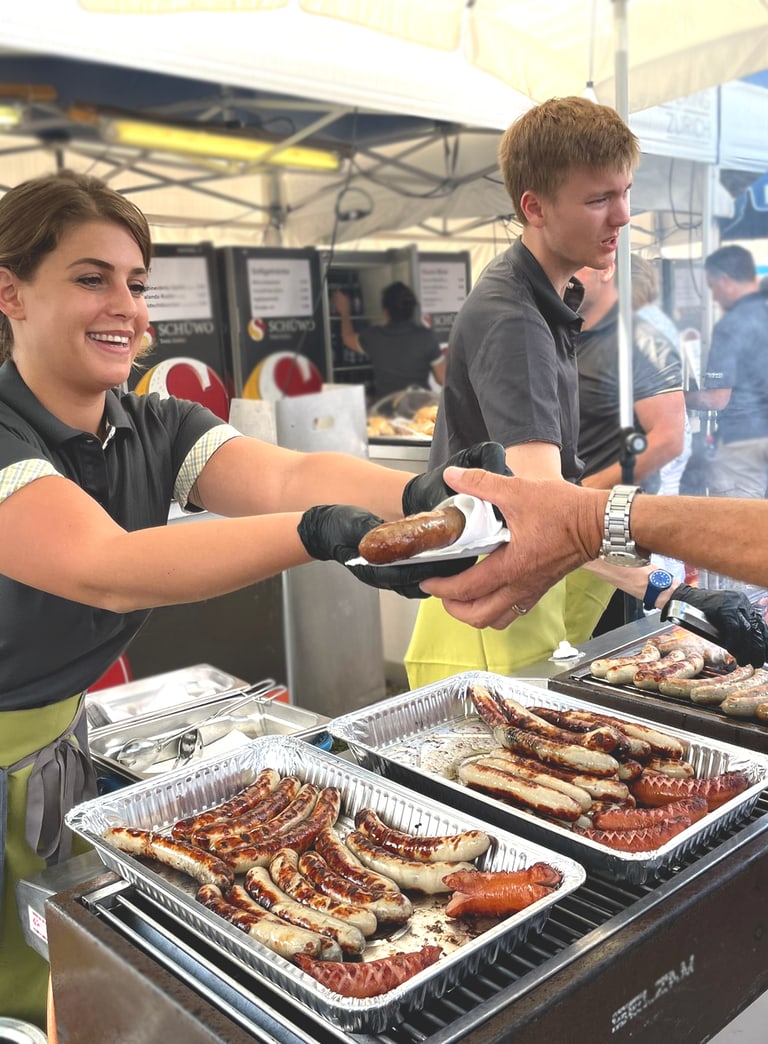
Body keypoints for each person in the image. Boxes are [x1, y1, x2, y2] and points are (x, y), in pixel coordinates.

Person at [0, 170, 503, 1026]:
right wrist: (322, 535)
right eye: (92, 278)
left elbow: (287, 471)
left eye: (136, 283)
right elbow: (103, 564)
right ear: (8, 293)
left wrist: (426, 502)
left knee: (66, 992)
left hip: (52, 749)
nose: (127, 306)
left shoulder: (151, 425)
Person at [402, 95, 647, 688]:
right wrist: (646, 577)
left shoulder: (546, 297)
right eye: (598, 199)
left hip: (519, 590)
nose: (622, 217)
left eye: (625, 192)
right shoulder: (513, 318)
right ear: (534, 208)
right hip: (494, 607)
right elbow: (542, 503)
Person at [416, 467, 768, 668]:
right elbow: (559, 527)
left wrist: (584, 515)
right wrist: (673, 592)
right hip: (497, 600)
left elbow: (568, 528)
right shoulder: (524, 345)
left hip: (572, 567)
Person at [686, 245, 768, 498]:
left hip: (741, 440)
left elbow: (717, 399)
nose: (713, 296)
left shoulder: (730, 326)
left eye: (712, 287)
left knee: (738, 524)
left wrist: (676, 397)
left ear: (725, 280)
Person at [331, 281, 445, 399]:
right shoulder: (426, 337)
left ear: (386, 312)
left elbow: (347, 338)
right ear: (411, 310)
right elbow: (442, 378)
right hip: (420, 410)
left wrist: (345, 312)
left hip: (387, 412)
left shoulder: (374, 337)